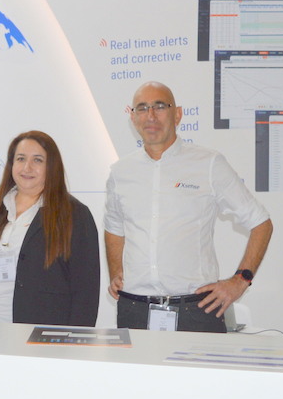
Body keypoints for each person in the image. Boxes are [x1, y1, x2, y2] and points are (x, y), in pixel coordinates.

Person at [104, 81, 273, 333]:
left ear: (178, 114)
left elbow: (261, 223)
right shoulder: (120, 172)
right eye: (142, 108)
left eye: (160, 106)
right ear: (133, 117)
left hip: (197, 310)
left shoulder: (209, 163)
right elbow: (114, 227)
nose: (151, 115)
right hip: (134, 309)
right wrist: (116, 271)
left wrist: (240, 280)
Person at [0, 131, 100, 326]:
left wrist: (74, 337)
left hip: (40, 331)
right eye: (21, 159)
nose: (27, 167)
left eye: (38, 160)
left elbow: (86, 290)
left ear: (52, 166)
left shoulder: (74, 215)